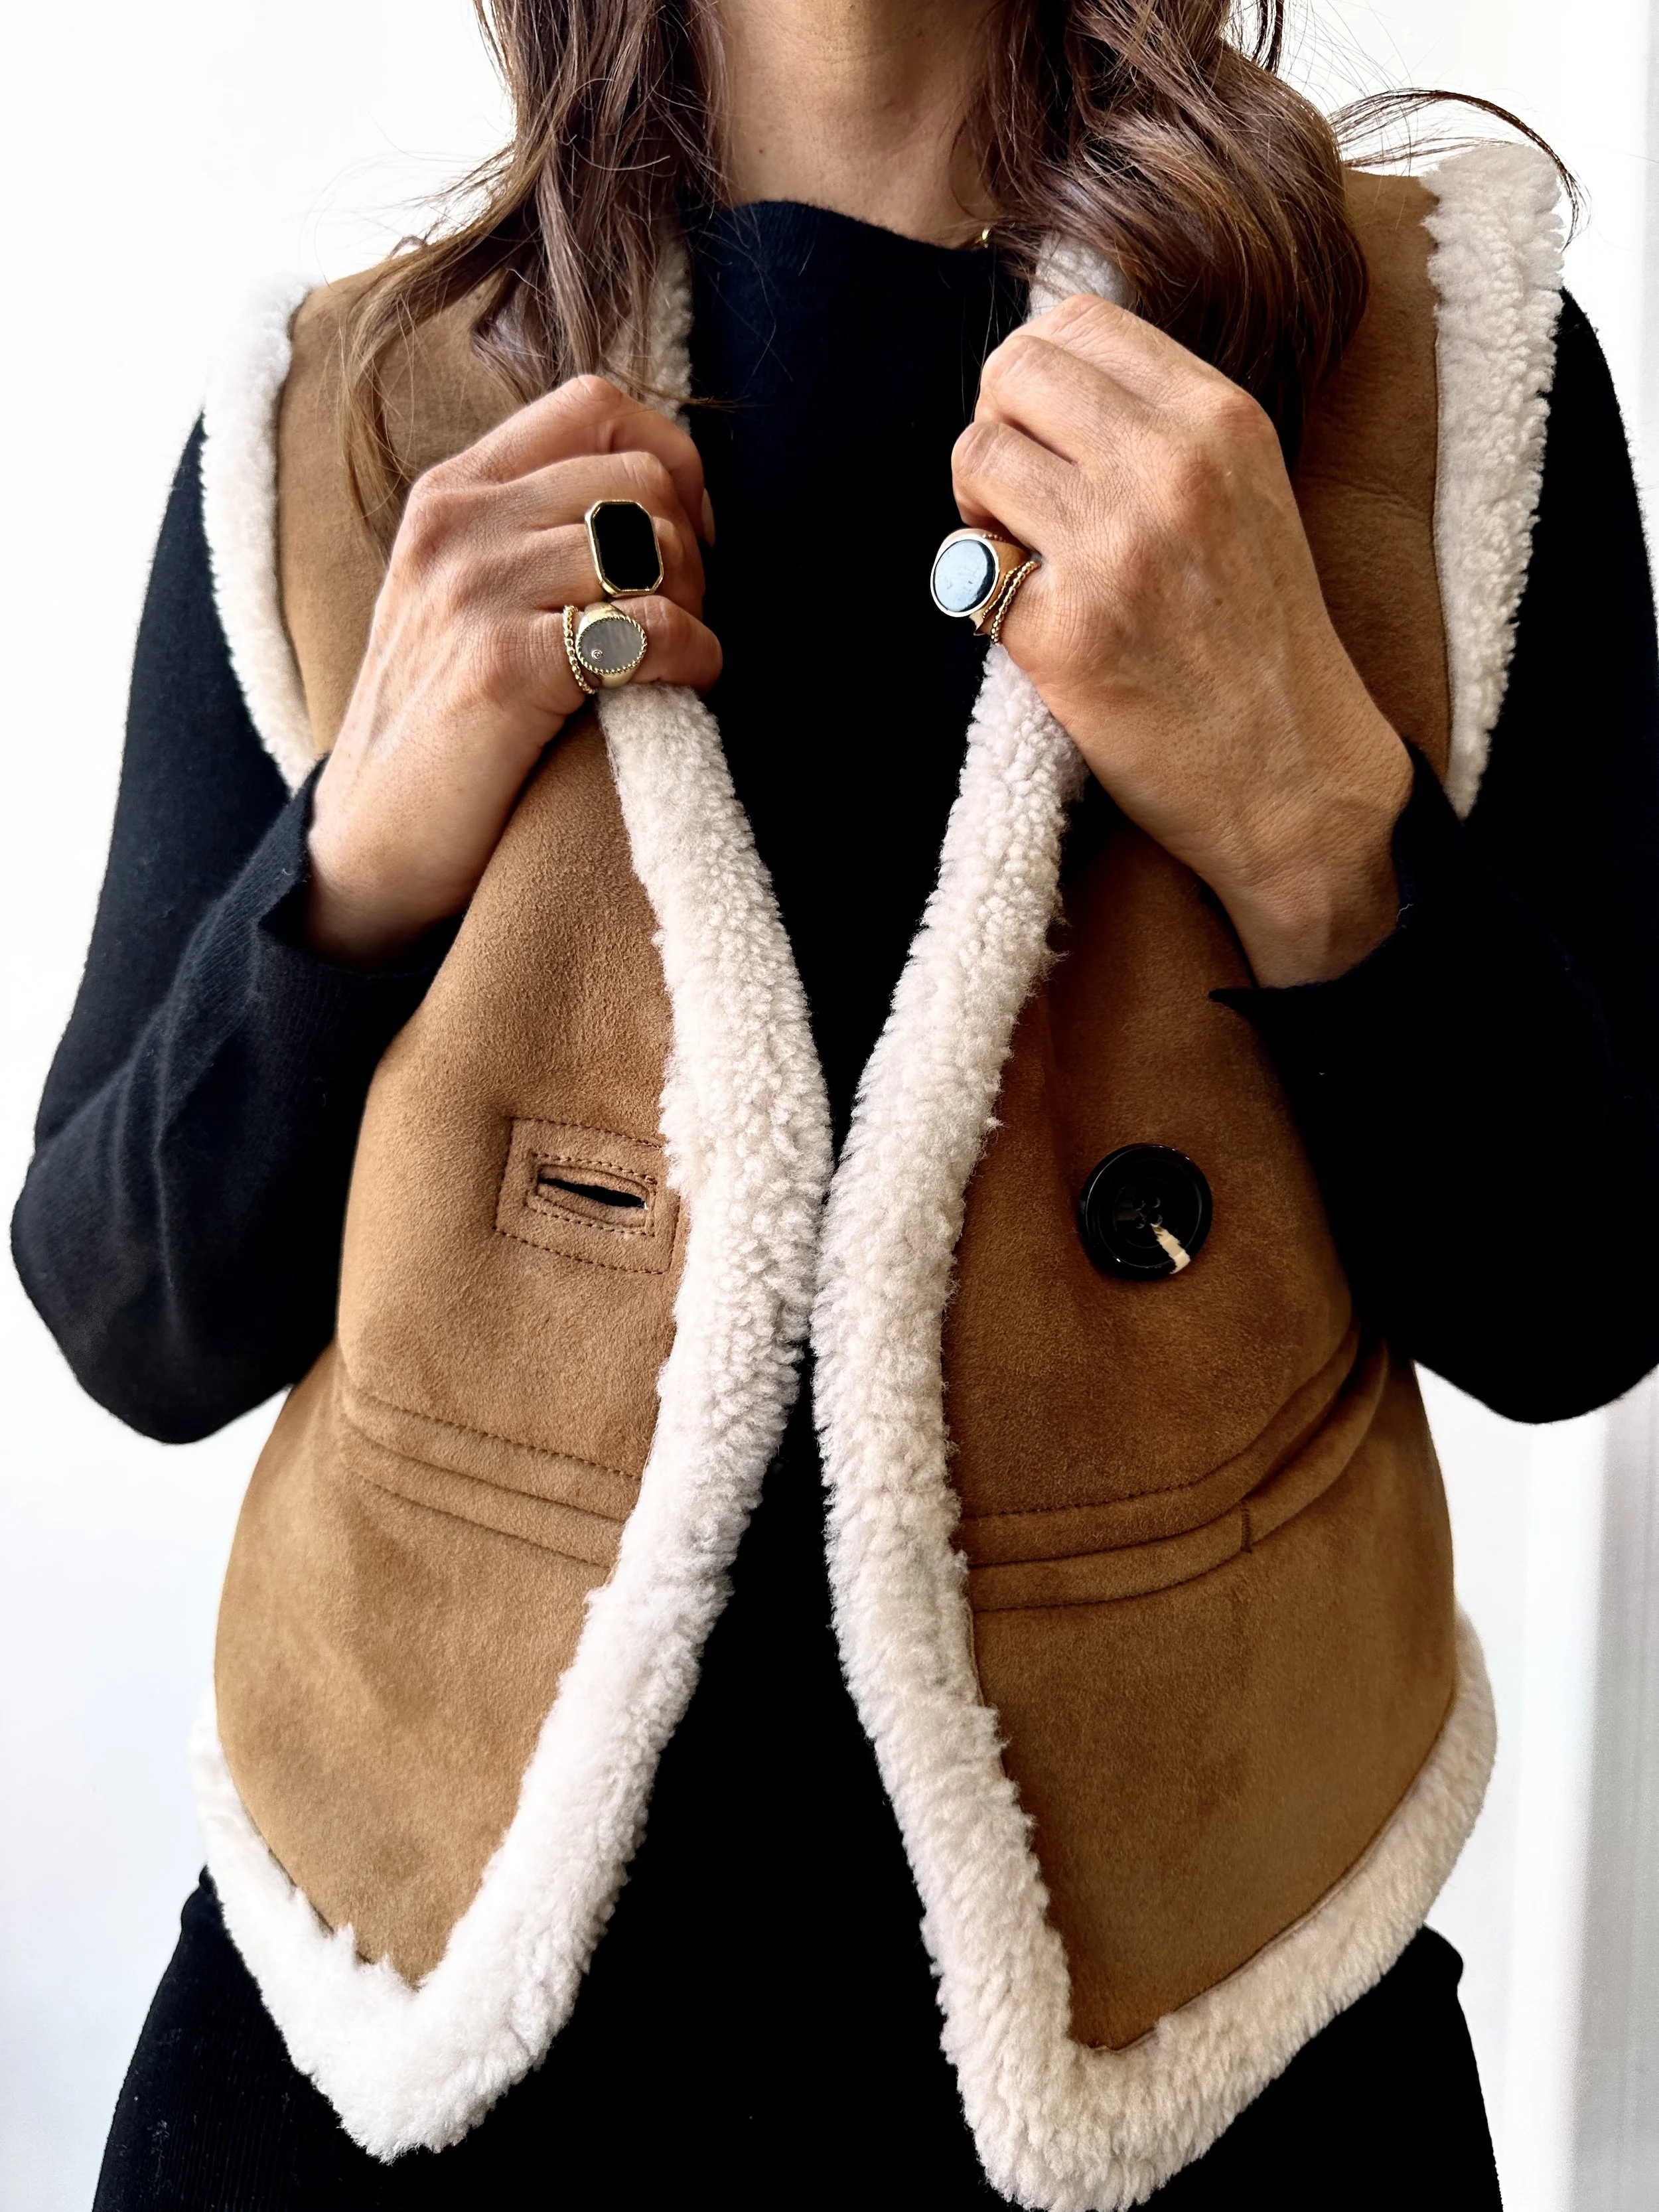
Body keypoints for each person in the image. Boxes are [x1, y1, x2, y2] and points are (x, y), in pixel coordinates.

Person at [14, 0, 1659, 2203]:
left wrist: (1297, 792)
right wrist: (365, 835)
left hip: (1211, 2064)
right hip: (389, 2061)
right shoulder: (342, 414)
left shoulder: (1433, 377)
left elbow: (1576, 1300)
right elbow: (132, 1309)